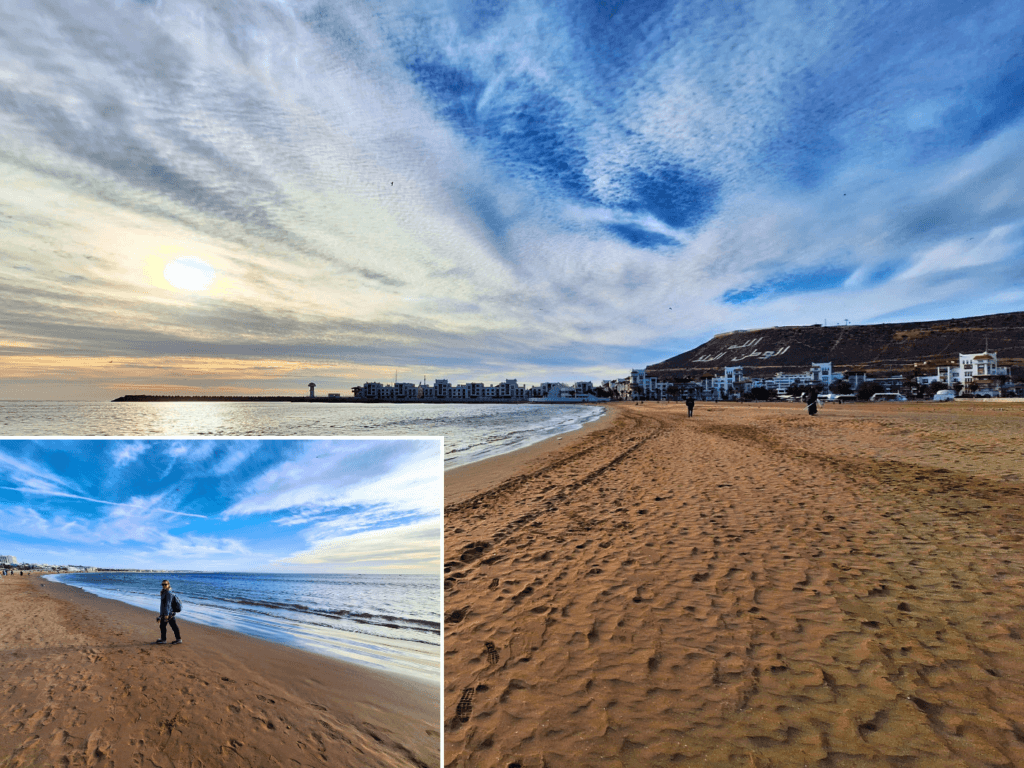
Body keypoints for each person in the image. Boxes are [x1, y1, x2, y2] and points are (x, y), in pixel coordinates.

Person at [155, 579, 182, 645]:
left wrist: (166, 615)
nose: (164, 586)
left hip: (168, 613)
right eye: (162, 584)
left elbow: (168, 604)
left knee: (165, 626)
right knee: (172, 626)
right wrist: (161, 614)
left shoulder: (168, 593)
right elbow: (164, 605)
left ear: (168, 585)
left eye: (165, 584)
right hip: (166, 613)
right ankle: (177, 639)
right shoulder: (164, 592)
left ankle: (164, 640)